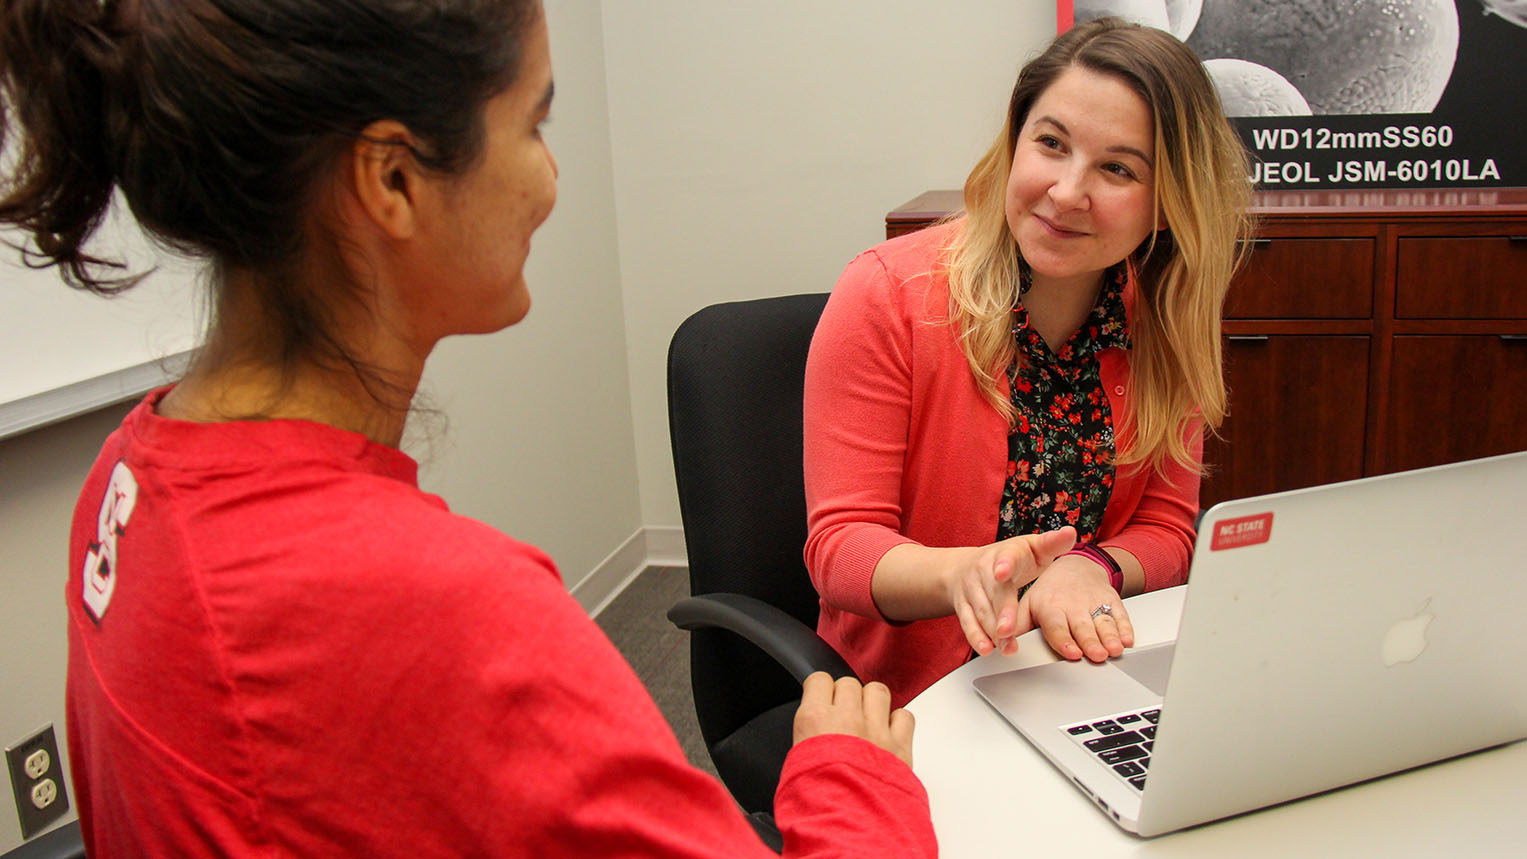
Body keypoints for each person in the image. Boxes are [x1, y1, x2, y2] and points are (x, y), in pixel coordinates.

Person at [0, 1, 936, 855]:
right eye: (533, 123)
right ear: (394, 180)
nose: (552, 175)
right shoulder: (444, 612)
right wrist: (850, 771)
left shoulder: (127, 473)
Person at [803, 17, 1253, 707]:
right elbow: (839, 547)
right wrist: (969, 574)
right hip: (917, 698)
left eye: (1117, 168)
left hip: (1083, 676)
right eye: (1051, 144)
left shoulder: (1161, 318)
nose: (1068, 191)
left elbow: (1166, 530)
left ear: (1165, 203)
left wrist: (1088, 567)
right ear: (1015, 143)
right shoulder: (888, 294)